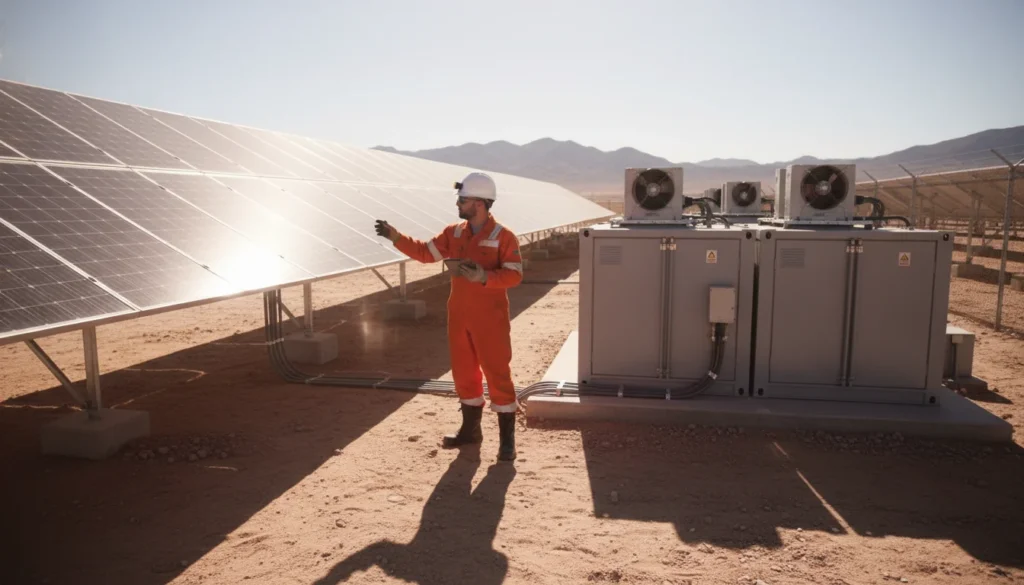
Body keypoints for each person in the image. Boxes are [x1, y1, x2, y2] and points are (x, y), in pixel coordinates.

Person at [373, 172, 524, 462]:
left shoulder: (503, 236)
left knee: (497, 374)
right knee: (464, 374)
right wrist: (395, 237)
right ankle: (471, 431)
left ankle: (507, 442)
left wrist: (485, 276)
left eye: (463, 199)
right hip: (459, 317)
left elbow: (515, 275)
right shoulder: (453, 233)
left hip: (490, 320)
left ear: (479, 203)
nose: (458, 202)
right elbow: (425, 253)